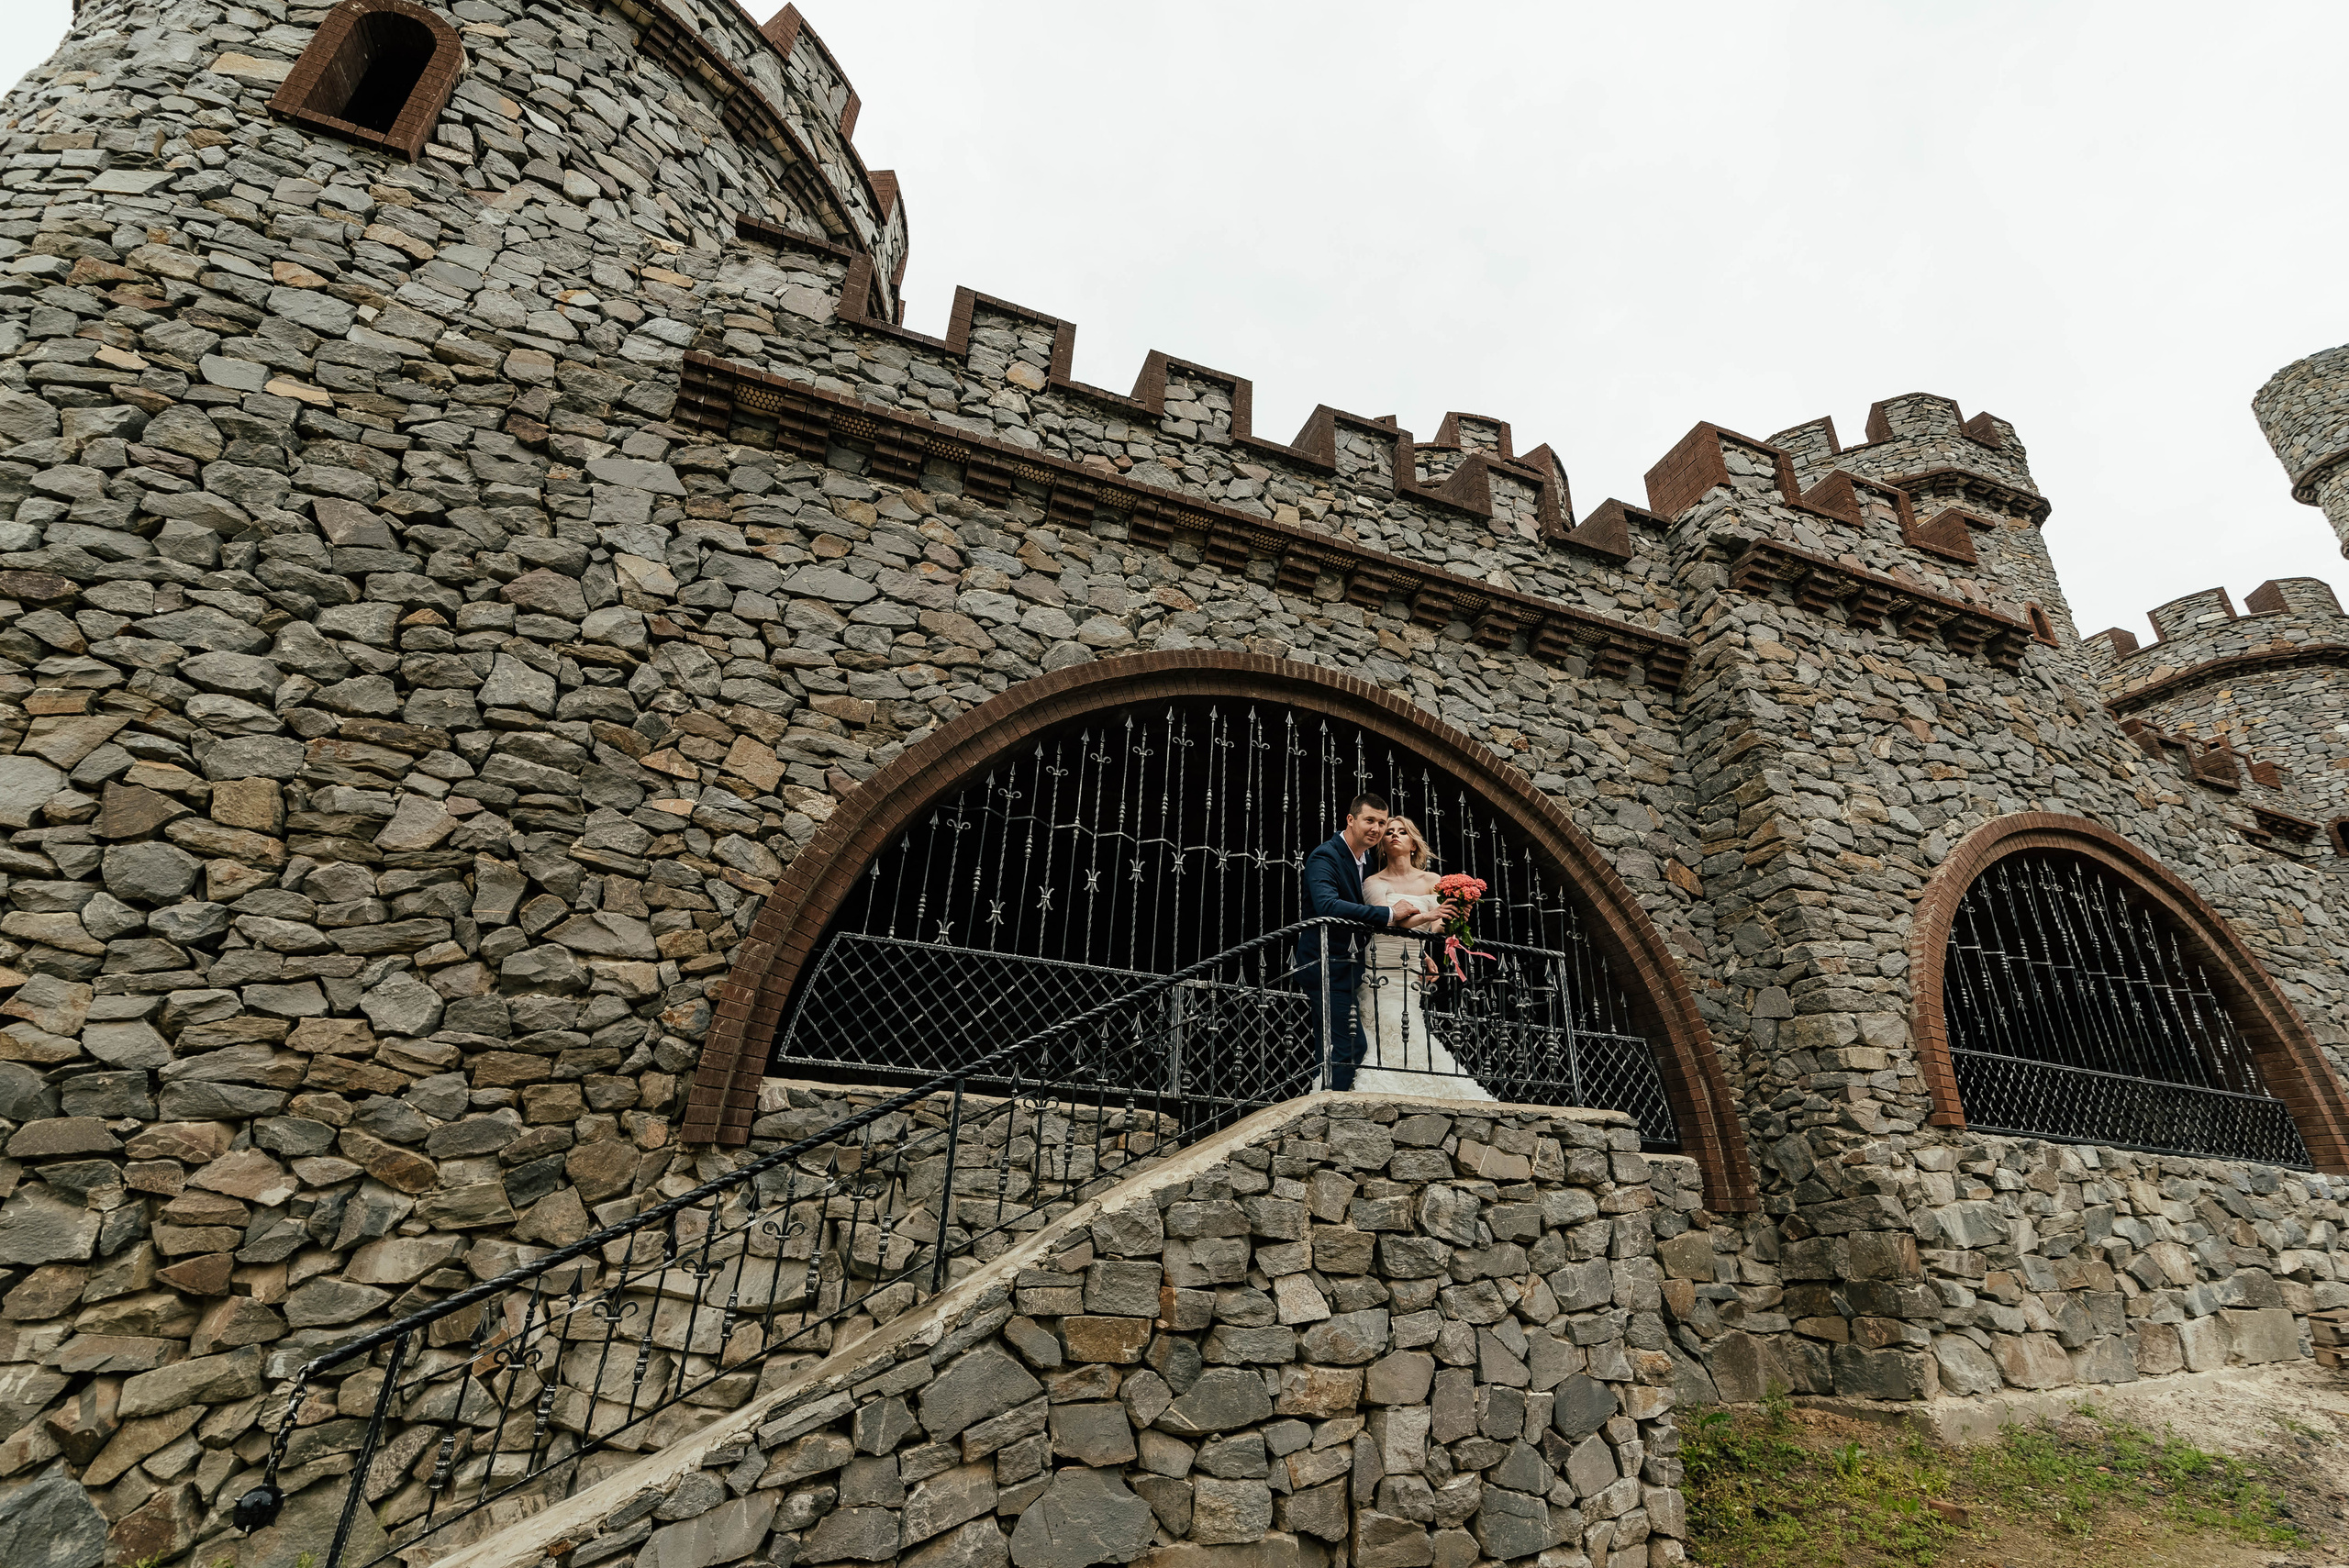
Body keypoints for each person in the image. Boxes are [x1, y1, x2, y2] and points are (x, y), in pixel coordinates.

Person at [1297, 794, 1446, 1090]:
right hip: (1328, 964)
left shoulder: (1364, 861)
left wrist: (1420, 953)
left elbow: (1368, 928)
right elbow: (1328, 906)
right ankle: (1328, 1106)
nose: (1377, 829)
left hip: (1358, 967)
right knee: (1349, 1047)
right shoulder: (1326, 856)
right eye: (1370, 821)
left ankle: (1324, 1098)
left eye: (1382, 822)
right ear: (1351, 820)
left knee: (1334, 1047)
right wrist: (1390, 912)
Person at [1356, 816, 1495, 1100]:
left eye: (1402, 832)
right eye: (1389, 832)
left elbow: (1435, 929)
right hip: (1377, 965)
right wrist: (1431, 913)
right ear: (1382, 844)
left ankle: (1422, 1088)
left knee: (1409, 1025)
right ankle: (1380, 1087)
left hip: (1409, 969)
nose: (1394, 835)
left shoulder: (1432, 881)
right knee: (1382, 1025)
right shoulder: (1373, 881)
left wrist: (1454, 915)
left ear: (1413, 843)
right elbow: (1387, 919)